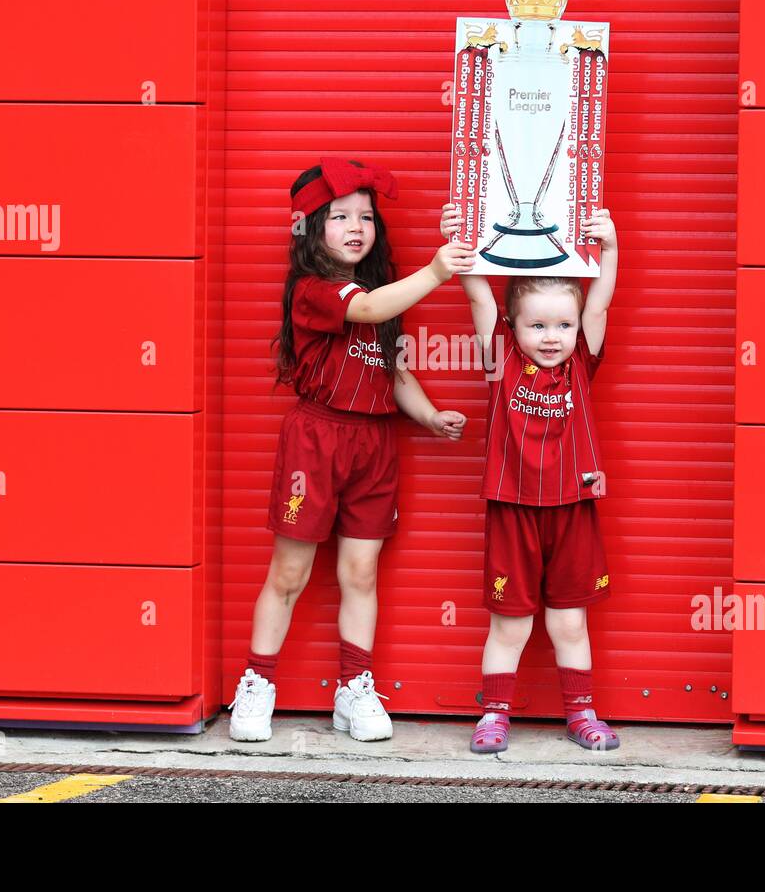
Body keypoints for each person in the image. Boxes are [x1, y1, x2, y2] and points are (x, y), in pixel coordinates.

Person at [229, 158, 474, 742]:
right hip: (315, 442)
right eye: (339, 217)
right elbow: (366, 310)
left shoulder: (382, 292)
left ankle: (354, 689)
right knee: (290, 571)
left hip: (374, 444)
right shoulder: (317, 291)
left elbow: (393, 370)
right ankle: (257, 685)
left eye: (365, 217)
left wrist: (430, 415)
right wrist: (438, 269)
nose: (355, 227)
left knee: (360, 573)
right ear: (313, 230)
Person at [446, 201, 620, 752]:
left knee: (569, 625)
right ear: (512, 326)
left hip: (572, 509)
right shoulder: (499, 360)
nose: (552, 336)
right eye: (538, 325)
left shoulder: (581, 364)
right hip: (513, 509)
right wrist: (460, 237)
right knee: (511, 625)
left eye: (563, 324)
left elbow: (600, 301)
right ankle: (494, 714)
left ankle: (582, 715)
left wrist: (610, 247)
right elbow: (477, 293)